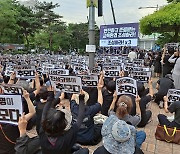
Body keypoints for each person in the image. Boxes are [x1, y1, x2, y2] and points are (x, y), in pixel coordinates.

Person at [39, 90, 89, 154]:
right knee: (85, 151)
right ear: (63, 124)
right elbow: (80, 118)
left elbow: (44, 113)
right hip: (64, 149)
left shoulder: (42, 131)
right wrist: (81, 99)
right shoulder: (67, 136)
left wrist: (50, 96)